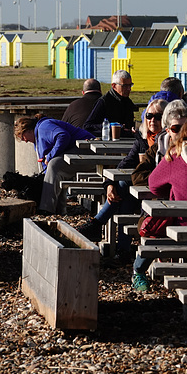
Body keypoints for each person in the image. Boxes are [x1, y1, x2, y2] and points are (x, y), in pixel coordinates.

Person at [76, 99, 169, 257]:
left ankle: (97, 224)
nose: (153, 120)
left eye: (158, 116)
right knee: (123, 193)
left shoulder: (168, 141)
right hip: (140, 190)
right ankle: (123, 250)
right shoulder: (142, 139)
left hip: (160, 192)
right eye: (149, 115)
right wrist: (109, 184)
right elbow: (125, 163)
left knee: (124, 185)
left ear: (166, 119)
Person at [130, 99, 187, 291]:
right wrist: (169, 181)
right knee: (155, 227)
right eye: (176, 128)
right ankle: (138, 271)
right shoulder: (159, 147)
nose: (182, 134)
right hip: (162, 206)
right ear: (167, 129)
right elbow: (137, 176)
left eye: (185, 128)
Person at [14, 114, 95, 215]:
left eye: (23, 137)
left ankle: (47, 209)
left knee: (55, 165)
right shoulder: (37, 138)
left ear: (28, 130)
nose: (25, 141)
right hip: (78, 153)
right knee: (55, 170)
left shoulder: (44, 127)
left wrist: (50, 156)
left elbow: (63, 136)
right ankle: (59, 209)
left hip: (88, 150)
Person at [83, 70, 137, 138]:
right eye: (125, 86)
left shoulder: (127, 102)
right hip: (106, 141)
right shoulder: (104, 102)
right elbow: (87, 126)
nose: (129, 89)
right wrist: (109, 126)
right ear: (114, 86)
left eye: (130, 85)